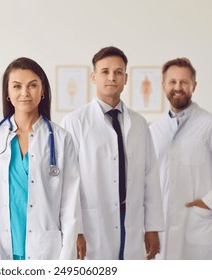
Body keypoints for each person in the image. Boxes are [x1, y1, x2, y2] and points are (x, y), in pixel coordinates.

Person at [0, 57, 82, 260]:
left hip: (45, 250)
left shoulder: (61, 139)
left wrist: (66, 257)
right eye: (17, 86)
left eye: (32, 85)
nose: (24, 93)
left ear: (43, 90)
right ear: (8, 93)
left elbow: (70, 204)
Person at [61, 46, 164, 260]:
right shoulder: (74, 122)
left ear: (126, 78)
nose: (111, 77)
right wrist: (76, 230)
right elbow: (68, 183)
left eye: (118, 72)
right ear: (93, 77)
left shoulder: (139, 123)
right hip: (92, 222)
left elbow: (150, 176)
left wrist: (152, 227)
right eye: (105, 71)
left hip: (132, 218)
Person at [150, 57, 212, 259]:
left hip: (197, 226)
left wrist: (209, 203)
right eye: (172, 82)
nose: (177, 87)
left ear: (193, 86)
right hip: (162, 228)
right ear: (163, 86)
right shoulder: (153, 130)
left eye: (184, 82)